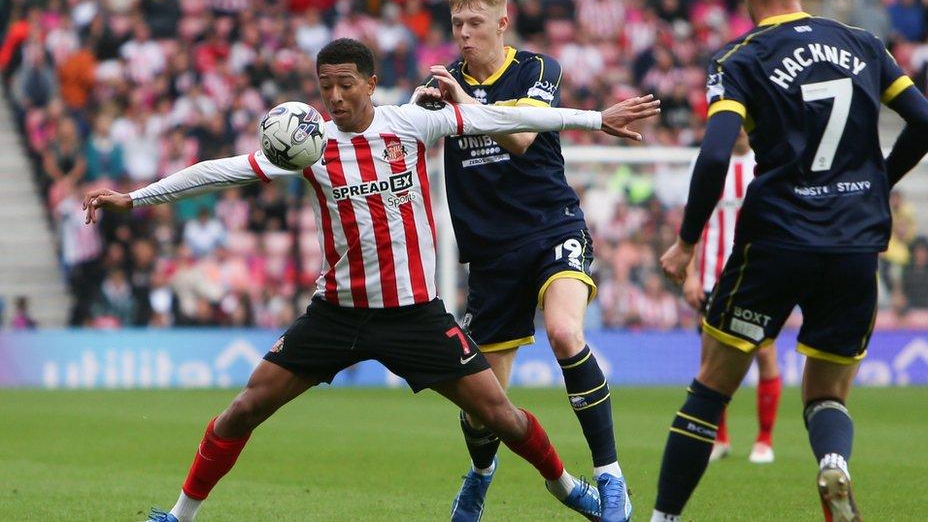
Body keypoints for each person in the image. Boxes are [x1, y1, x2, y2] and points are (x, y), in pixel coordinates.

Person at [82, 38, 659, 522]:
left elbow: (507, 117)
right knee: (243, 409)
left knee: (500, 415)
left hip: (414, 314)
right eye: (325, 84)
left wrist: (594, 119)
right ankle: (178, 516)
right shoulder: (308, 145)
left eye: (346, 84)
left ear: (371, 83)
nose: (334, 96)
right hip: (335, 315)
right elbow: (220, 172)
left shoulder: (411, 125)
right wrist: (134, 198)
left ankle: (569, 490)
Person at [654, 0, 928, 521]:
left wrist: (686, 243)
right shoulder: (863, 43)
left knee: (711, 388)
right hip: (854, 244)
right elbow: (926, 122)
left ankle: (663, 517)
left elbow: (716, 157)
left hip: (777, 241)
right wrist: (877, 183)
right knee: (826, 394)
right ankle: (833, 459)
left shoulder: (739, 59)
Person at [414, 0, 632, 521]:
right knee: (483, 404)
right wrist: (416, 113)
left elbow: (521, 138)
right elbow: (405, 141)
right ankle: (482, 475)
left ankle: (611, 478)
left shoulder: (537, 70)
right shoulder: (440, 83)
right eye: (458, 25)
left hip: (551, 226)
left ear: (501, 23)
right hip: (491, 254)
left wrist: (462, 102)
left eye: (475, 24)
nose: (464, 35)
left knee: (564, 333)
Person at [682, 129, 781, 464]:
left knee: (764, 356)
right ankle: (718, 439)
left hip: (756, 279)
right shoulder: (710, 163)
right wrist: (691, 276)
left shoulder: (766, 163)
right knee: (710, 363)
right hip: (711, 280)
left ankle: (764, 441)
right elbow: (692, 224)